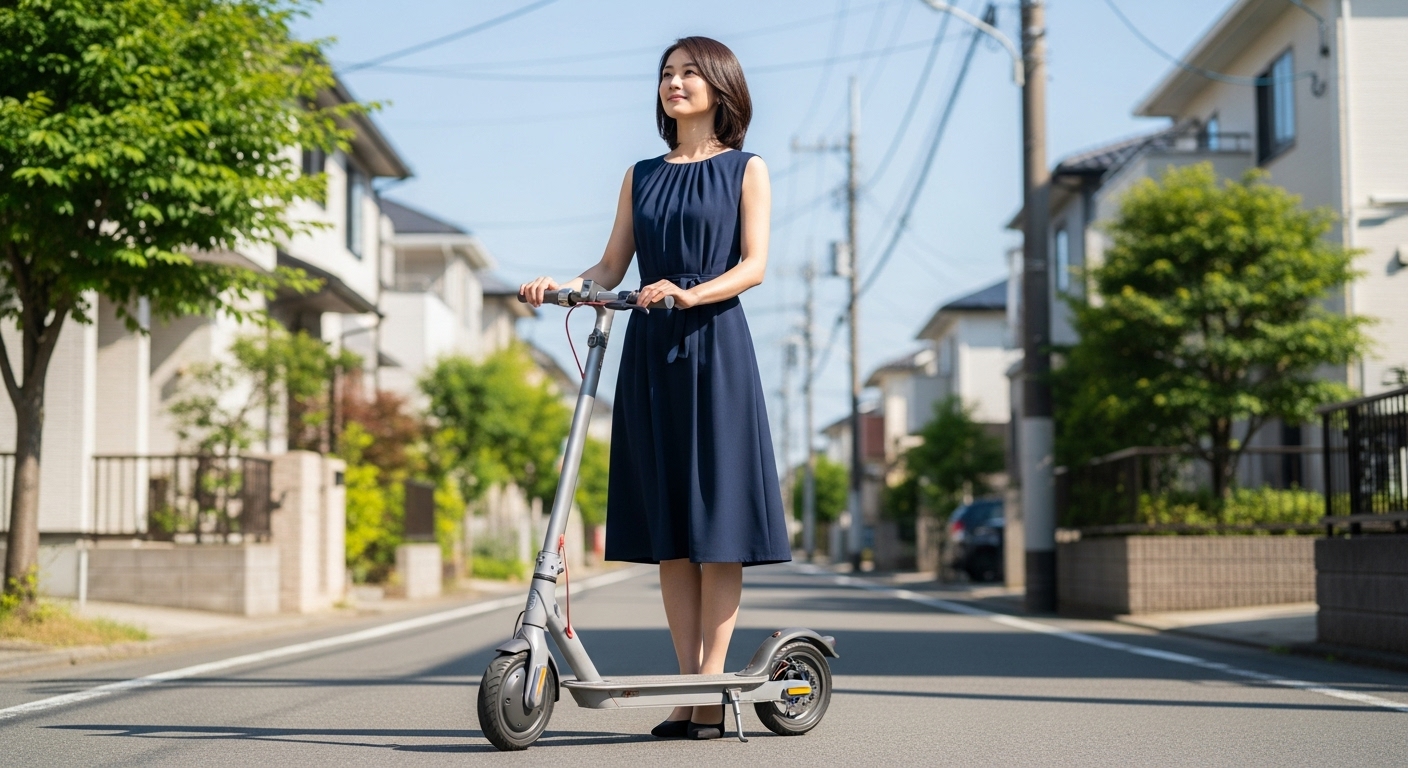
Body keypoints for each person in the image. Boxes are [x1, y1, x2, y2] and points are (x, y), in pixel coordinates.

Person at [519, 35, 790, 741]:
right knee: (672, 529)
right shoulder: (641, 175)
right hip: (650, 347)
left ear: (721, 86)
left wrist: (689, 293)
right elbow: (611, 267)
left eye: (690, 72)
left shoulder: (745, 168)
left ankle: (708, 687)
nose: (675, 83)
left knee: (716, 528)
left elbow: (754, 266)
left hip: (715, 348)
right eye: (667, 73)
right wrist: (565, 288)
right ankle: (690, 690)